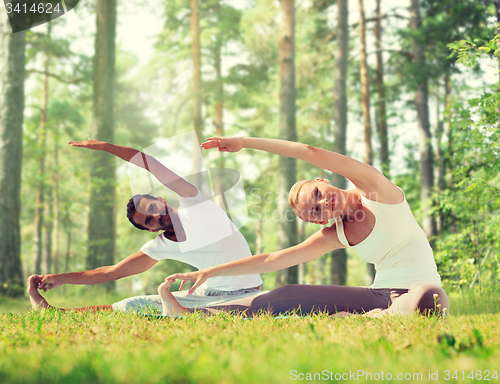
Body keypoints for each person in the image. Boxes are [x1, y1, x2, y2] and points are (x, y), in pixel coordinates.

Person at [160, 136, 449, 317]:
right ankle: (188, 313)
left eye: (317, 195)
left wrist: (245, 142)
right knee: (286, 294)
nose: (323, 204)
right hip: (379, 294)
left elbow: (310, 151)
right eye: (316, 211)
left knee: (429, 296)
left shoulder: (377, 190)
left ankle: (373, 318)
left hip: (419, 290)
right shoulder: (336, 233)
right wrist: (207, 272)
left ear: (322, 181)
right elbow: (272, 260)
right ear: (321, 222)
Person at [28, 139, 262, 313]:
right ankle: (58, 314)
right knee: (132, 305)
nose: (156, 217)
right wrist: (60, 278)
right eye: (149, 221)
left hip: (247, 293)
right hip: (207, 294)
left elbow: (150, 163)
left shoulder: (195, 202)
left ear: (160, 200)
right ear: (150, 229)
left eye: (152, 209)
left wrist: (106, 147)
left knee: (207, 314)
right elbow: (111, 272)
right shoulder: (160, 246)